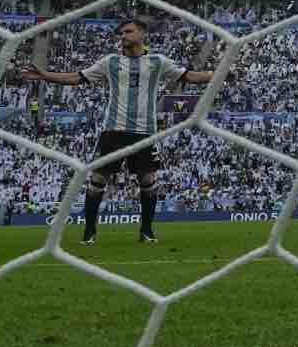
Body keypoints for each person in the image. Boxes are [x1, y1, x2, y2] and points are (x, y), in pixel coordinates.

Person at [20, 18, 215, 244]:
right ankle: (89, 232)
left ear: (142, 33)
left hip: (144, 131)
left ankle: (146, 231)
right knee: (97, 178)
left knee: (148, 179)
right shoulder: (110, 62)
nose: (123, 36)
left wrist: (215, 75)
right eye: (121, 33)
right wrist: (45, 75)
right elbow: (77, 77)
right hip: (113, 130)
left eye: (128, 31)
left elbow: (189, 76)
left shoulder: (157, 61)